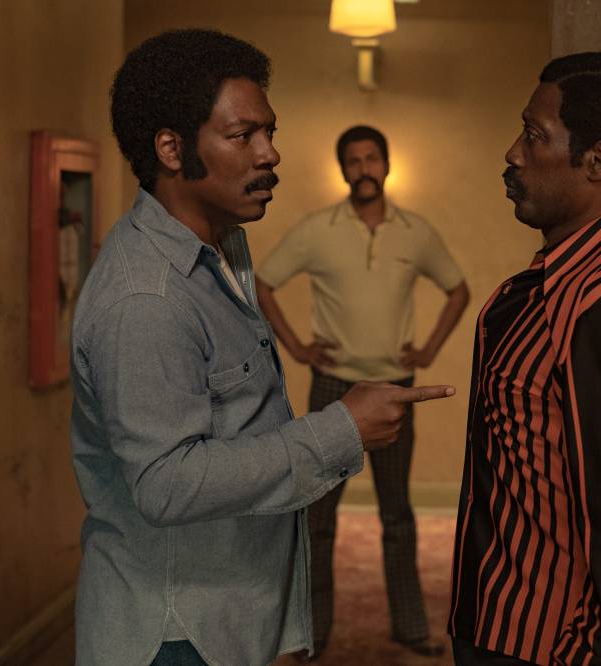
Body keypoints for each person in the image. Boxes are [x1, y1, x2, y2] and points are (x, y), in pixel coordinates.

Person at [70, 30, 454, 666]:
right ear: (171, 149)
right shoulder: (146, 299)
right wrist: (340, 428)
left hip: (226, 621)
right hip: (176, 635)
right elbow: (166, 484)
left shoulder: (222, 248)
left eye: (269, 132)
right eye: (242, 135)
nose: (270, 153)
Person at [448, 52, 601, 665]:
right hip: (500, 622)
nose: (513, 153)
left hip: (544, 646)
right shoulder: (559, 283)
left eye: (534, 135)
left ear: (599, 161)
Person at [256, 125, 469, 658]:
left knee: (397, 513)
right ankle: (312, 634)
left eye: (372, 158)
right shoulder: (317, 230)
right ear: (343, 170)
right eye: (353, 161)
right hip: (334, 387)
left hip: (396, 388)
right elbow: (262, 283)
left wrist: (428, 350)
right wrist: (298, 348)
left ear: (387, 165)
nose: (363, 168)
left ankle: (410, 627)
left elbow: (458, 290)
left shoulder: (415, 232)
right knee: (320, 517)